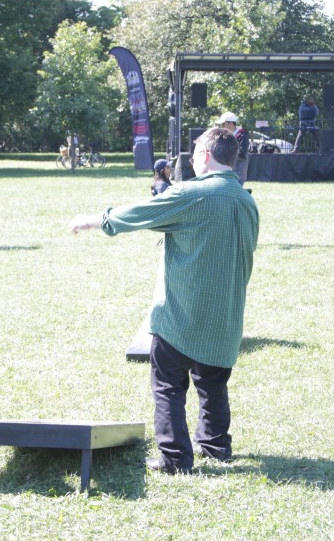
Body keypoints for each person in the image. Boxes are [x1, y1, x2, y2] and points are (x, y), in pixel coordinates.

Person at [68, 128, 258, 474]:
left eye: (194, 154)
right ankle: (215, 446)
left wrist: (93, 221)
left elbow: (140, 213)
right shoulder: (247, 201)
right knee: (213, 385)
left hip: (181, 315)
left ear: (204, 155)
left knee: (168, 386)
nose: (191, 161)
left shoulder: (191, 193)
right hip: (226, 318)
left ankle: (174, 458)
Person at [217, 111, 250, 185]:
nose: (222, 127)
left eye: (223, 124)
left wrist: (227, 152)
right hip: (227, 172)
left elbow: (242, 155)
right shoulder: (226, 136)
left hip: (238, 174)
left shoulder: (242, 136)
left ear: (230, 124)